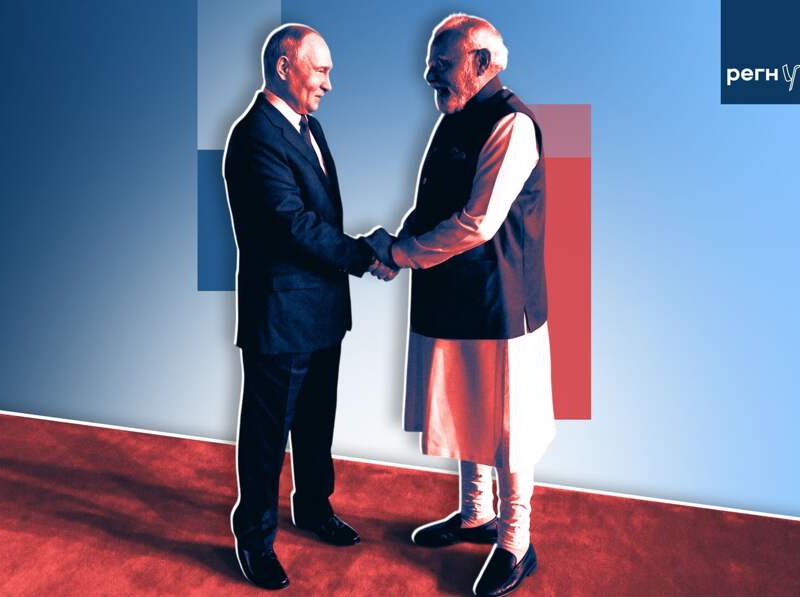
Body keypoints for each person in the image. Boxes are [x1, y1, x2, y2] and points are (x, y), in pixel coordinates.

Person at [369, 14, 556, 596]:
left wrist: (401, 254)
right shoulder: (456, 116)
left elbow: (477, 223)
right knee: (466, 408)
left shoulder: (512, 124)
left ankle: (516, 542)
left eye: (442, 63)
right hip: (452, 293)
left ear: (482, 63)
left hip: (502, 302)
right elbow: (431, 202)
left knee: (509, 424)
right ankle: (476, 515)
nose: (430, 73)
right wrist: (399, 240)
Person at [222, 23, 394, 591]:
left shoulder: (308, 126)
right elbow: (291, 225)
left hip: (322, 311)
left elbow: (318, 217)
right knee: (267, 436)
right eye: (320, 70)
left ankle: (314, 507)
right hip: (281, 316)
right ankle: (254, 539)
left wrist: (360, 253)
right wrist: (364, 255)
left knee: (318, 422)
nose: (328, 83)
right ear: (283, 67)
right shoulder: (255, 136)